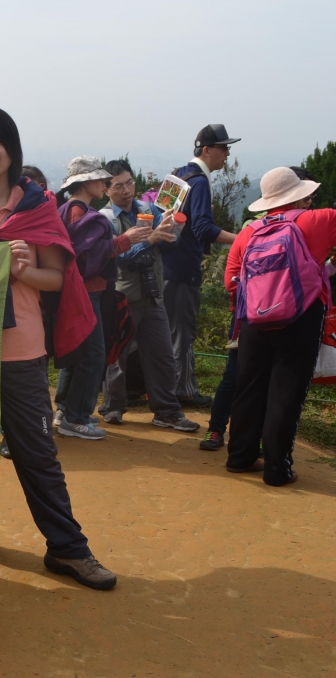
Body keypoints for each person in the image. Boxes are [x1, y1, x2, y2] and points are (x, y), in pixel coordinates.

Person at [0, 107, 115, 590]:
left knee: (37, 451)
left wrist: (23, 269)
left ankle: (68, 547)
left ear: (11, 149)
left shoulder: (38, 207)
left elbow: (57, 278)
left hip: (21, 347)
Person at [225, 167, 336, 485]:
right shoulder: (319, 219)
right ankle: (277, 469)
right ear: (300, 195)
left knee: (249, 389)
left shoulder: (250, 231)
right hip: (301, 317)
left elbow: (230, 280)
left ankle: (240, 458)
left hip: (255, 321)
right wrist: (327, 269)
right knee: (286, 393)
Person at [201, 166, 318, 451]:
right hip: (292, 317)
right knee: (273, 384)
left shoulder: (249, 230)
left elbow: (231, 278)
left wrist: (256, 297)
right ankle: (268, 446)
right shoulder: (311, 225)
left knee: (238, 379)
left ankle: (219, 434)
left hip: (248, 318)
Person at [98, 159, 199, 431]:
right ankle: (113, 407)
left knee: (162, 356)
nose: (127, 190)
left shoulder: (149, 209)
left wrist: (171, 229)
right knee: (116, 359)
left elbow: (169, 243)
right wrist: (150, 240)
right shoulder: (104, 221)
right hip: (122, 297)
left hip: (154, 295)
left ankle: (166, 411)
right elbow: (115, 259)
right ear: (106, 189)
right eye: (118, 186)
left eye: (129, 182)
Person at [52, 157, 148, 440]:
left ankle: (66, 411)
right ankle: (76, 417)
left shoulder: (69, 209)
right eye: (99, 179)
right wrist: (125, 240)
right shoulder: (79, 213)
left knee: (79, 352)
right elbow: (85, 257)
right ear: (86, 182)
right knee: (93, 355)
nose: (103, 183)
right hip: (86, 293)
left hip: (79, 292)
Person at [161, 124, 240, 408]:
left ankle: (159, 388)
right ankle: (182, 391)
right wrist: (244, 238)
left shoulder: (178, 174)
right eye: (224, 148)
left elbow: (159, 212)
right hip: (183, 269)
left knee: (167, 330)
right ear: (207, 150)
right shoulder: (201, 182)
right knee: (183, 332)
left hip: (163, 265)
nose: (227, 154)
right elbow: (205, 228)